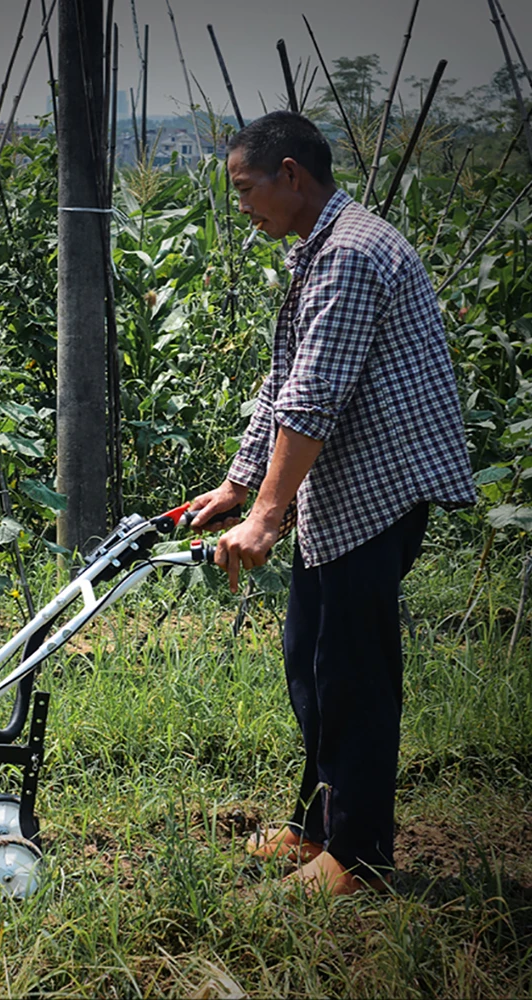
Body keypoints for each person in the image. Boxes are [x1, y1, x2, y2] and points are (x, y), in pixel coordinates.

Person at [188, 111, 475, 895]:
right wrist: (239, 486)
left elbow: (312, 401)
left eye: (245, 189)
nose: (241, 206)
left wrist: (265, 517)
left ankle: (359, 858)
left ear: (291, 175)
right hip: (339, 492)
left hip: (376, 491)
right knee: (312, 662)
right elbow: (283, 384)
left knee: (353, 674)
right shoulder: (323, 249)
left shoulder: (349, 256)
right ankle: (318, 827)